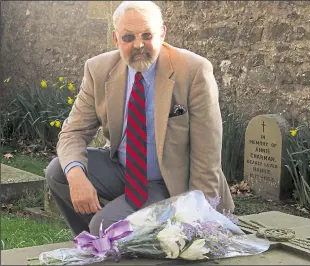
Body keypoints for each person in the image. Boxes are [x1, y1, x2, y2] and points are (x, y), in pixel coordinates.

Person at [45, 1, 234, 236]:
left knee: (103, 227)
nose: (139, 45)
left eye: (147, 35)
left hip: (170, 183)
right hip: (123, 170)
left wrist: (198, 214)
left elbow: (208, 153)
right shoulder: (98, 69)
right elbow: (73, 132)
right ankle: (96, 245)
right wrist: (76, 176)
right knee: (59, 171)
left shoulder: (193, 71)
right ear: (115, 39)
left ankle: (110, 235)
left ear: (162, 33)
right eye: (128, 37)